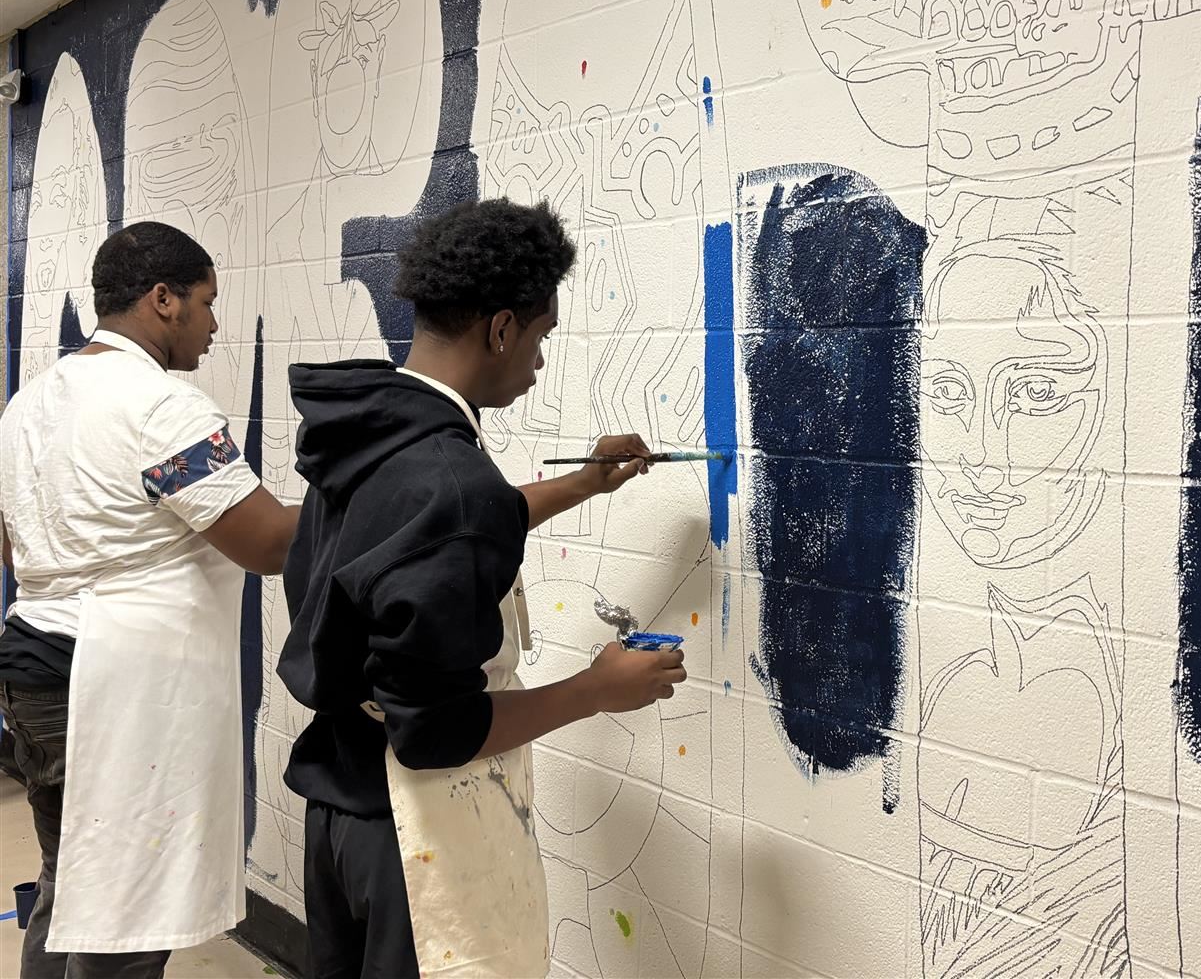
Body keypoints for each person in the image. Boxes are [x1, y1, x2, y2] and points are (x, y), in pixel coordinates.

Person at [279, 197, 687, 978]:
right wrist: (596, 688)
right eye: (539, 338)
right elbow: (436, 731)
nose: (537, 361)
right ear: (501, 329)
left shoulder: (372, 429)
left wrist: (582, 485)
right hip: (413, 838)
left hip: (339, 813)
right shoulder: (450, 481)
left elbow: (423, 535)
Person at [0, 221, 300, 978]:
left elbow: (13, 544)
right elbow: (266, 543)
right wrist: (368, 497)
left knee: (69, 886)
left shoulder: (28, 405)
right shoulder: (164, 408)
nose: (214, 323)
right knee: (126, 921)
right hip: (110, 692)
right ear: (162, 300)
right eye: (206, 301)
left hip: (33, 671)